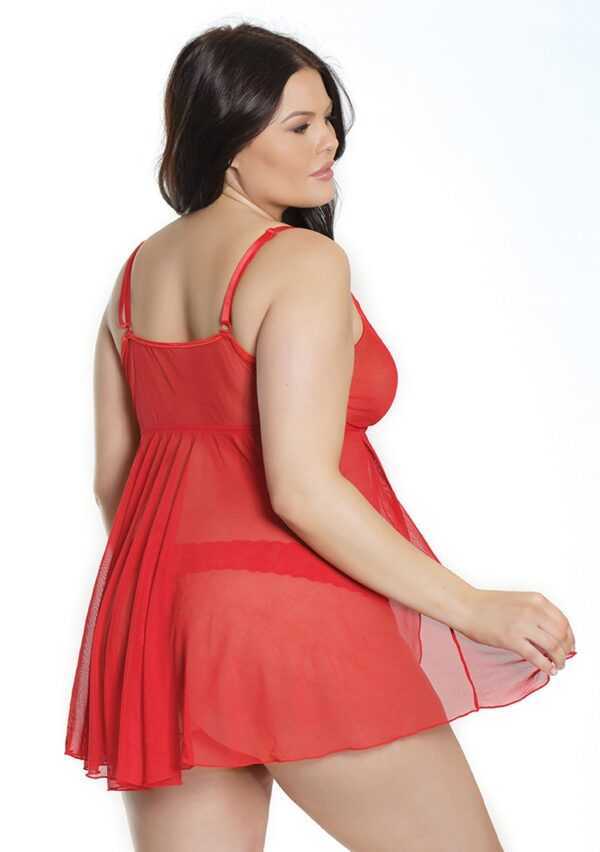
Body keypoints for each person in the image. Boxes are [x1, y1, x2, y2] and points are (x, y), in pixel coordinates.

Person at [64, 22, 577, 852]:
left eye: (328, 120)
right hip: (292, 619)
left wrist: (186, 609)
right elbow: (301, 488)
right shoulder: (299, 261)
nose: (328, 142)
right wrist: (474, 606)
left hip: (157, 632)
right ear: (229, 141)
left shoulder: (135, 276)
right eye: (298, 125)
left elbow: (112, 482)